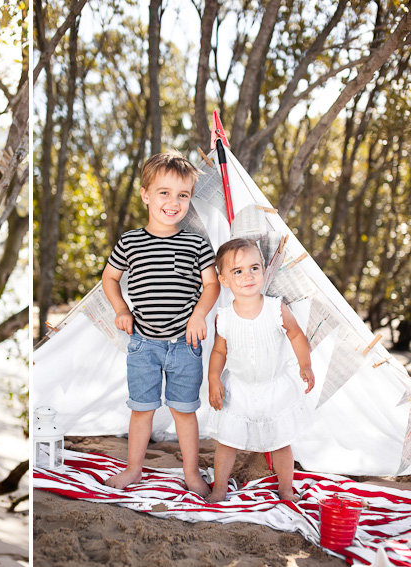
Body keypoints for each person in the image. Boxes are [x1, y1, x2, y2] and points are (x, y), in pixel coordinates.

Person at [102, 150, 220, 495]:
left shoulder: (196, 242)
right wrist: (122, 310)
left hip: (185, 345)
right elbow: (110, 279)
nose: (173, 202)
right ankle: (134, 469)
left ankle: (191, 473)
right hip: (143, 344)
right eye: (164, 192)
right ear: (146, 195)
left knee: (184, 412)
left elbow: (211, 284)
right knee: (142, 410)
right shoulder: (130, 241)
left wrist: (198, 315)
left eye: (182, 195)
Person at [206, 238, 315, 503]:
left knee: (280, 442)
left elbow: (297, 335)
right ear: (224, 280)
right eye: (238, 271)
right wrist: (213, 379)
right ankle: (220, 487)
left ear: (263, 270)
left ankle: (286, 488)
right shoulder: (225, 316)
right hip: (239, 389)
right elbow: (219, 351)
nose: (248, 276)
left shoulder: (275, 308)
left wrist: (306, 365)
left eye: (254, 268)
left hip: (274, 388)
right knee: (228, 441)